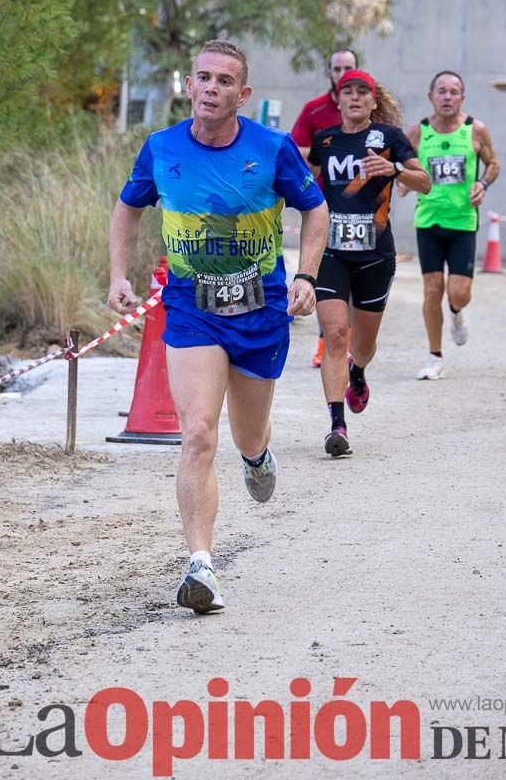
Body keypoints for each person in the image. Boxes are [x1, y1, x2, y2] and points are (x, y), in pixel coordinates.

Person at [108, 39, 328, 615]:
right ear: (189, 85)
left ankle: (257, 457)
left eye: (224, 81)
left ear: (243, 93)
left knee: (245, 436)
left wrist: (306, 275)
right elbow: (128, 207)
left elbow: (316, 208)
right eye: (202, 78)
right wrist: (117, 275)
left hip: (260, 309)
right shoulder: (160, 149)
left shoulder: (273, 148)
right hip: (190, 305)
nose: (211, 88)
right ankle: (200, 564)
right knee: (198, 433)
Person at [308, 69, 429, 456]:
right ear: (338, 99)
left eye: (364, 92)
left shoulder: (389, 139)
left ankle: (357, 373)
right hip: (331, 252)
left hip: (375, 253)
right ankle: (336, 425)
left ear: (374, 101)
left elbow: (424, 181)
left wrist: (394, 169)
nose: (356, 98)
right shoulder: (325, 139)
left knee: (363, 343)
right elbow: (308, 186)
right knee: (335, 335)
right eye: (349, 92)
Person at [403, 70, 500, 380]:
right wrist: (404, 183)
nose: (447, 97)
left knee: (458, 294)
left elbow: (494, 163)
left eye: (453, 92)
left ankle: (457, 313)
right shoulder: (417, 133)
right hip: (428, 220)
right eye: (441, 91)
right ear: (431, 96)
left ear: (462, 98)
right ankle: (435, 357)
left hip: (462, 222)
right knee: (432, 289)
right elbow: (402, 165)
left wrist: (483, 183)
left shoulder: (476, 130)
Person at [291, 47, 358, 367]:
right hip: (324, 206)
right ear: (329, 72)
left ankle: (351, 341)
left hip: (364, 209)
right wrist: (328, 151)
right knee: (329, 276)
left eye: (348, 68)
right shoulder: (315, 110)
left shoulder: (371, 109)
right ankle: (325, 341)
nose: (342, 74)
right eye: (337, 68)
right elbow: (295, 149)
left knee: (358, 279)